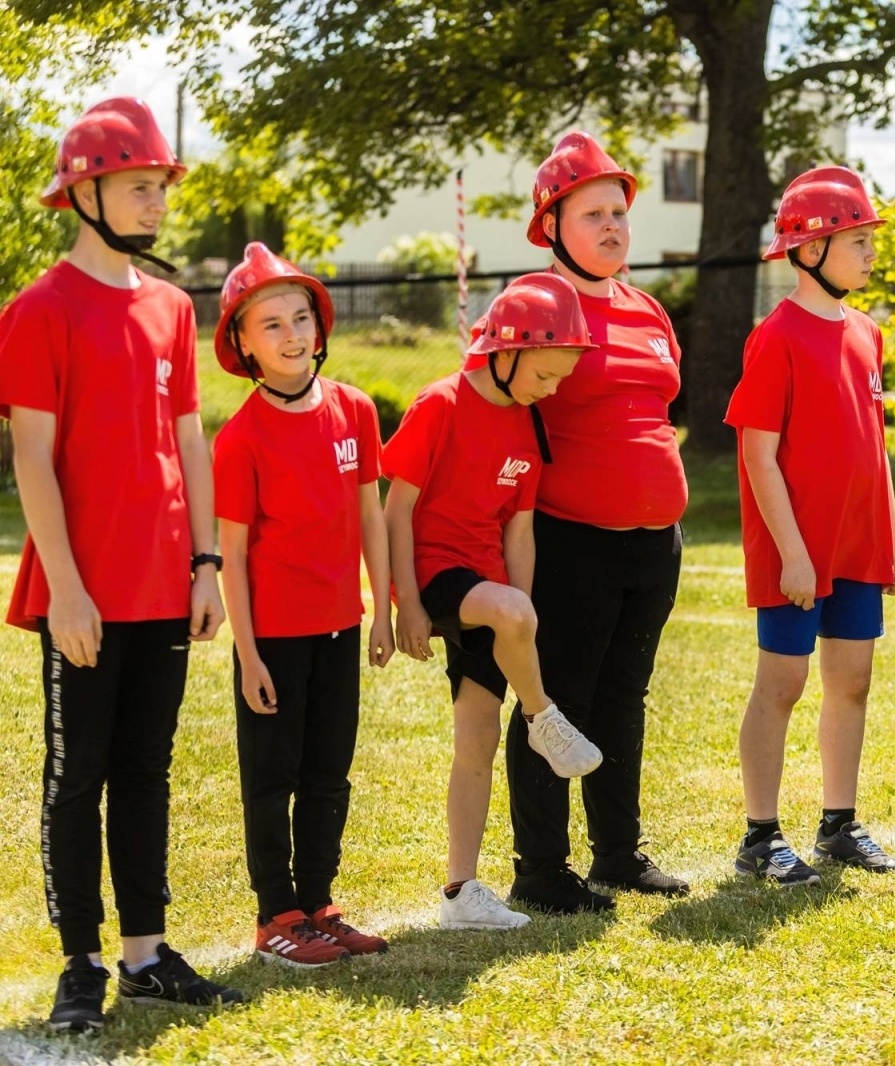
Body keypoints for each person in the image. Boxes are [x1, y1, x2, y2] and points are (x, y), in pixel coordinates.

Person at [0, 97, 245, 1033]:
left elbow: (188, 441)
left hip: (164, 578)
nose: (156, 202)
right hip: (84, 590)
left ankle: (145, 955)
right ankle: (82, 963)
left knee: (147, 769)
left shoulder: (174, 307)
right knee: (80, 773)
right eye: (140, 185)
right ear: (86, 190)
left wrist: (208, 562)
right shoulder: (38, 310)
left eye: (160, 187)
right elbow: (33, 458)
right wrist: (66, 587)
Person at [504, 132, 692, 912]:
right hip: (571, 540)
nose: (614, 226)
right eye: (594, 213)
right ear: (552, 224)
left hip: (656, 544)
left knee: (624, 698)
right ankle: (541, 869)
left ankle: (617, 853)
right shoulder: (536, 306)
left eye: (619, 212)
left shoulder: (647, 309)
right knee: (558, 702)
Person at [384, 274, 603, 929]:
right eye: (545, 375)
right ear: (504, 352)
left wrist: (521, 623)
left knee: (475, 742)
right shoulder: (439, 405)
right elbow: (396, 512)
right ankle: (545, 722)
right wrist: (405, 605)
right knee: (512, 614)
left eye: (562, 378)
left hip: (491, 592)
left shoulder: (528, 425)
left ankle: (461, 893)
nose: (552, 389)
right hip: (436, 577)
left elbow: (520, 529)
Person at [724, 165, 895, 885]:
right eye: (855, 240)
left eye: (868, 239)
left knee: (852, 680)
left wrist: (890, 535)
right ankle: (760, 833)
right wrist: (793, 554)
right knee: (783, 683)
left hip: (859, 544)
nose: (869, 253)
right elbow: (758, 454)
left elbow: (874, 444)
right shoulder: (776, 337)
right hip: (796, 553)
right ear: (808, 251)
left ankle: (839, 823)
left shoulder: (868, 333)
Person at [212, 242, 394, 967]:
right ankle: (276, 917)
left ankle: (318, 903)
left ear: (320, 328)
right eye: (272, 326)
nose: (292, 337)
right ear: (245, 346)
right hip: (273, 640)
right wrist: (249, 653)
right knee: (272, 777)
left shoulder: (354, 410)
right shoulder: (241, 439)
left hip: (338, 629)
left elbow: (371, 517)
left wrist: (382, 608)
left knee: (328, 770)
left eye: (300, 320)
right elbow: (231, 554)